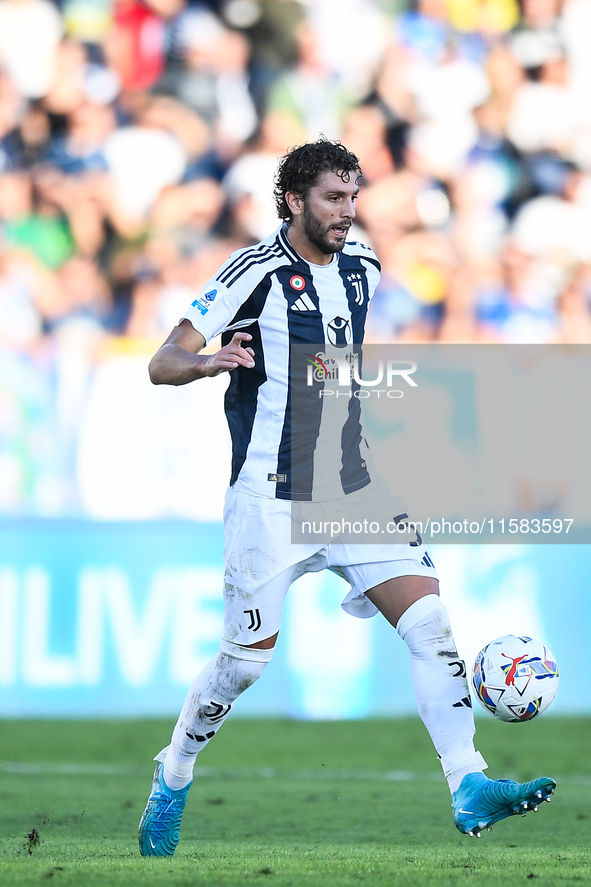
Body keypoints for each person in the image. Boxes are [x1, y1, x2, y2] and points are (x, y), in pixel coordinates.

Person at [138, 138, 555, 856]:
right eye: (333, 197)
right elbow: (161, 360)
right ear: (294, 199)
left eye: (353, 196)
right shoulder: (254, 271)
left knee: (430, 625)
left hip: (352, 486)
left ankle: (468, 780)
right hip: (269, 502)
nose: (347, 211)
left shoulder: (363, 265)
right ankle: (173, 772)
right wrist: (209, 363)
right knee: (241, 666)